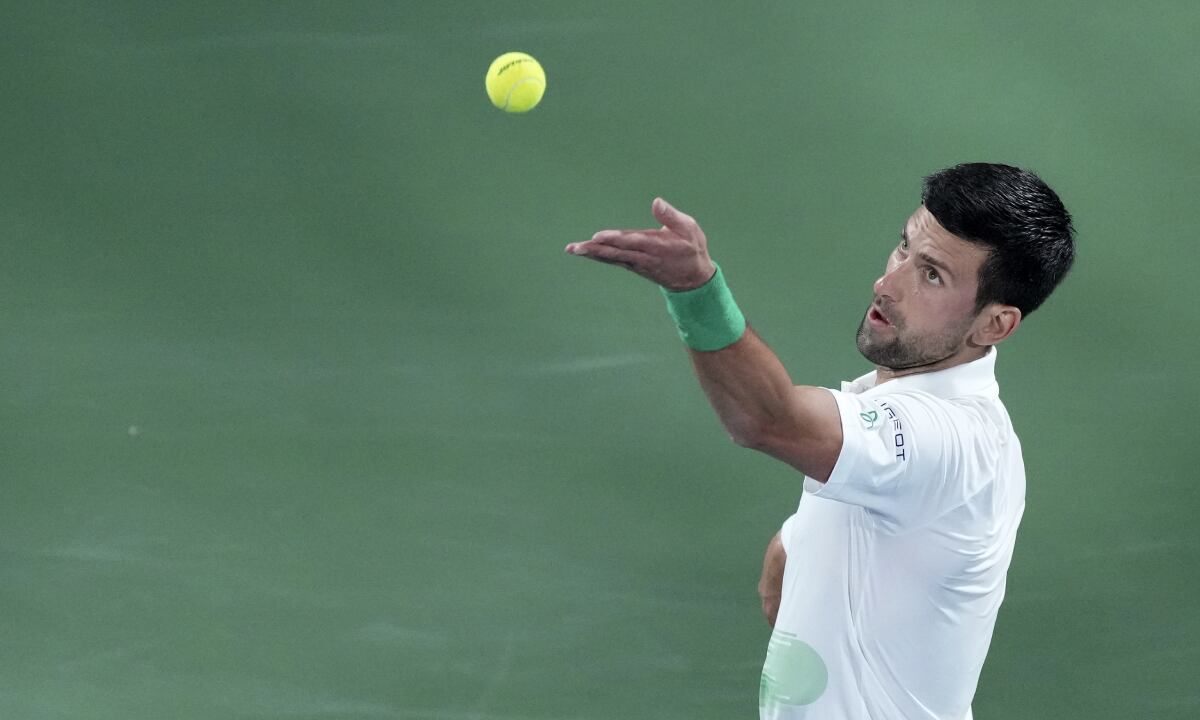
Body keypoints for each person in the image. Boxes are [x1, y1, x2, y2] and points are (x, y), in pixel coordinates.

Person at [564, 163, 1075, 720]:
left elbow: (768, 420)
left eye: (932, 276)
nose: (888, 284)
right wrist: (795, 541)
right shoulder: (893, 409)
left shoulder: (957, 439)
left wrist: (696, 292)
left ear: (994, 325)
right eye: (904, 248)